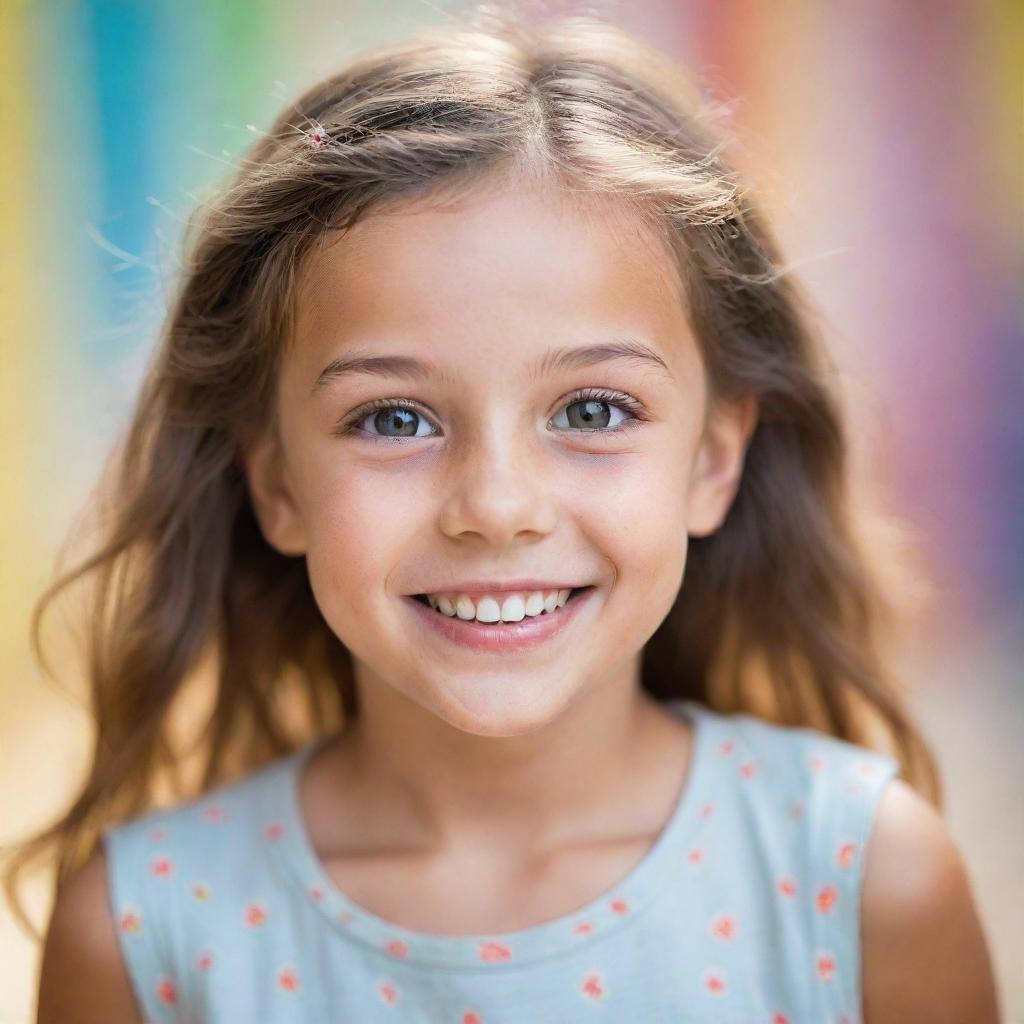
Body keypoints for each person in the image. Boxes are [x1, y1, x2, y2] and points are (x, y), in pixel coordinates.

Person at [8, 7, 1000, 1023]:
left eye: (591, 410)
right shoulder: (146, 934)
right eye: (392, 417)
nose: (495, 505)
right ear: (275, 482)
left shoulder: (864, 879)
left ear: (711, 457)